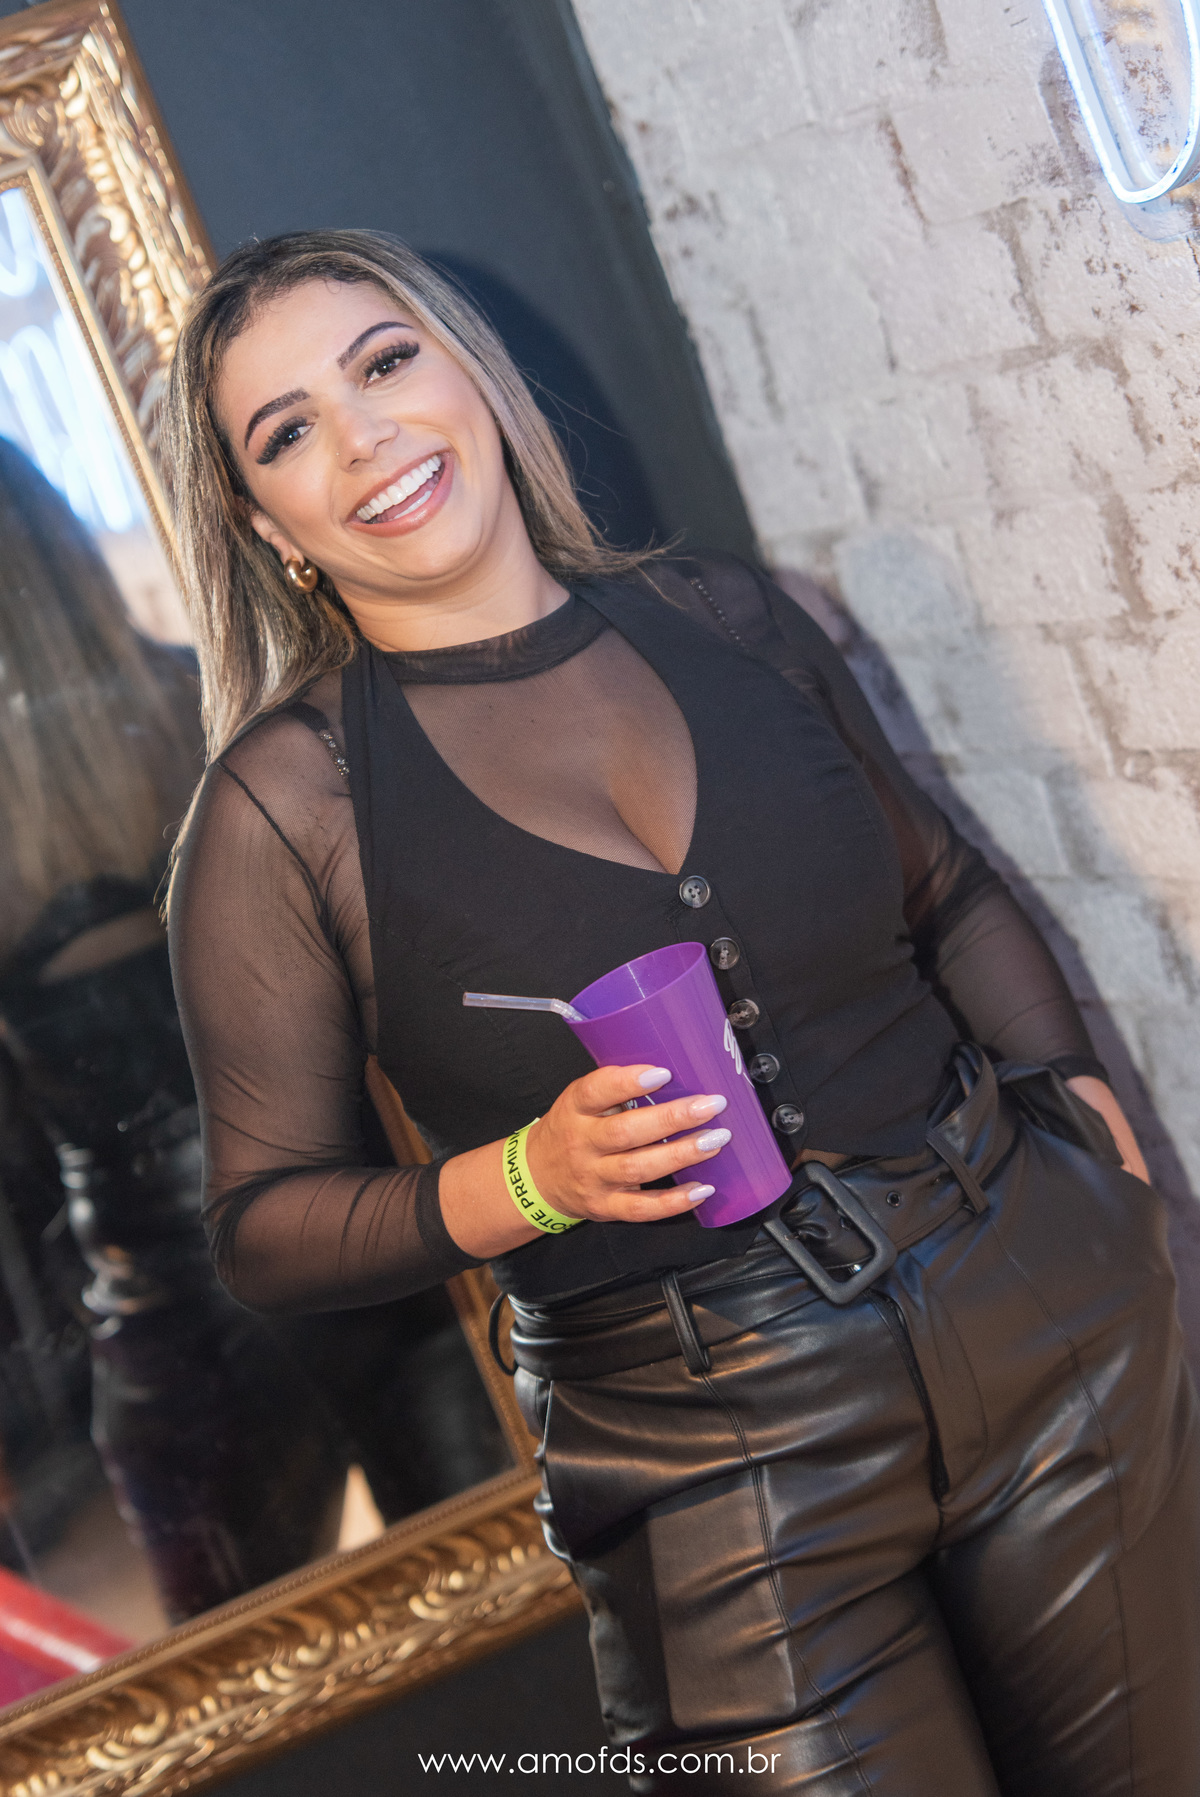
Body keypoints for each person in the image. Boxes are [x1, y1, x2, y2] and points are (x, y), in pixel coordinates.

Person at [164, 228, 1199, 1795]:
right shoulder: (282, 809)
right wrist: (529, 1179)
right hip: (707, 1459)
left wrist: (1078, 1120)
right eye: (289, 429)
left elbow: (947, 892)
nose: (364, 436)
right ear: (266, 524)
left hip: (1038, 1313)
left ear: (470, 377)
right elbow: (264, 1224)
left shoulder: (727, 617)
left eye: (385, 363)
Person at [0, 439, 504, 1621]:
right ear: (68, 552)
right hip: (363, 1237)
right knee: (507, 1610)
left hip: (173, 1319)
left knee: (248, 1687)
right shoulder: (232, 716)